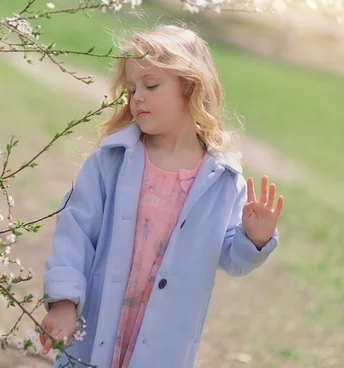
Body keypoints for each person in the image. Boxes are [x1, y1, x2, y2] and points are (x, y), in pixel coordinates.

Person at [39, 24, 284, 368]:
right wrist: (64, 301)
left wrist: (255, 240)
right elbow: (75, 232)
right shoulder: (110, 160)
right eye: (131, 88)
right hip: (96, 326)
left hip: (166, 342)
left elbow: (234, 259)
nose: (137, 97)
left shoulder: (222, 179)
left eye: (151, 86)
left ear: (191, 86)